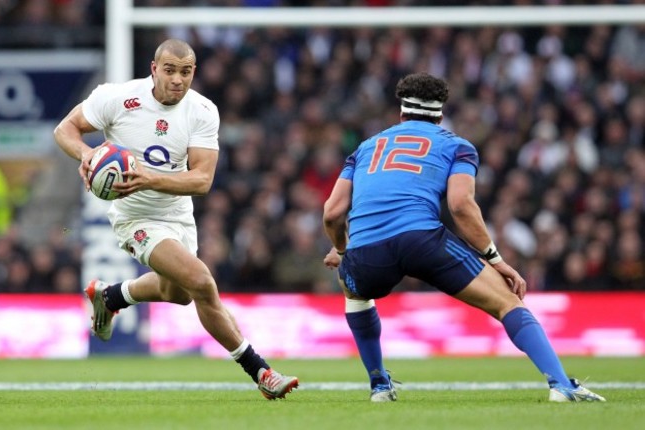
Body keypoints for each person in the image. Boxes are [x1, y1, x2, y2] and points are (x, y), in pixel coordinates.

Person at [322, 72, 605, 403]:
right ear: (441, 115)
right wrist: (496, 259)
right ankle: (561, 384)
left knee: (353, 292)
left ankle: (380, 385)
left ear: (401, 114)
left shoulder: (366, 147)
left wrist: (344, 249)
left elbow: (332, 212)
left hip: (368, 250)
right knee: (507, 301)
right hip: (421, 239)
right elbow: (460, 205)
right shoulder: (455, 145)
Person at [54, 39, 298, 400]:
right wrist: (88, 155)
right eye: (169, 70)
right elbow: (65, 130)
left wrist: (149, 178)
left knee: (179, 293)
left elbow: (202, 180)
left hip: (178, 212)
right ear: (154, 69)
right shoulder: (117, 98)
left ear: (193, 73)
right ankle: (261, 371)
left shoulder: (202, 111)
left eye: (185, 72)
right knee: (202, 282)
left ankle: (110, 296)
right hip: (134, 214)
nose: (177, 80)